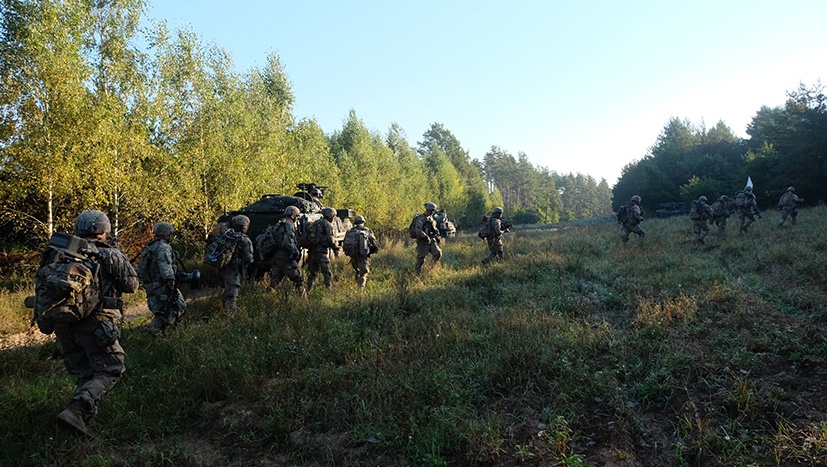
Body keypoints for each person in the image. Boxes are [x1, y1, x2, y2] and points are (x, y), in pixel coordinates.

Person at [49, 210, 139, 434]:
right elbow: (131, 286)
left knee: (87, 374)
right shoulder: (108, 254)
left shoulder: (57, 251)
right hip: (96, 323)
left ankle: (82, 425)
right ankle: (77, 410)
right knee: (112, 368)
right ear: (103, 231)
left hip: (62, 323)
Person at [138, 222, 186, 334]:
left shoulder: (150, 246)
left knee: (161, 311)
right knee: (178, 306)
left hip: (151, 285)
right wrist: (171, 283)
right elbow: (165, 267)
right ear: (167, 234)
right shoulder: (164, 248)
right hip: (162, 285)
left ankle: (157, 334)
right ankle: (166, 333)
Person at [266, 205, 306, 297]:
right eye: (296, 215)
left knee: (274, 281)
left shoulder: (279, 224)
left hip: (277, 257)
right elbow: (287, 242)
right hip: (286, 257)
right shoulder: (289, 225)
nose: (297, 218)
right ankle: (304, 301)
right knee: (299, 278)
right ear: (292, 215)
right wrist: (295, 251)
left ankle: (266, 297)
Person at [220, 215, 254, 311]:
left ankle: (223, 307)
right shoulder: (245, 239)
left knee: (228, 288)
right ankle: (230, 315)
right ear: (245, 226)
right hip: (233, 269)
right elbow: (249, 258)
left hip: (223, 267)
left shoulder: (227, 235)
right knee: (233, 293)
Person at [305, 207, 338, 291]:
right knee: (327, 271)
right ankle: (328, 288)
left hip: (312, 251)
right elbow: (330, 238)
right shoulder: (326, 224)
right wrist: (335, 247)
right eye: (333, 216)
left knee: (313, 272)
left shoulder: (315, 223)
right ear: (330, 216)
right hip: (321, 252)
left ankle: (308, 289)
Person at [345, 215, 379, 287]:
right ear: (363, 222)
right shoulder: (367, 230)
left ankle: (356, 283)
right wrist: (374, 248)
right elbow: (374, 241)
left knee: (357, 270)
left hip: (353, 255)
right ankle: (360, 289)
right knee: (364, 272)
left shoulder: (350, 231)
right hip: (362, 255)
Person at [412, 202, 442, 274]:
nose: (433, 212)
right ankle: (417, 273)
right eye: (432, 211)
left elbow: (434, 228)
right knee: (421, 259)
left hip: (432, 240)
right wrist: (425, 236)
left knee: (438, 253)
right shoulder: (420, 219)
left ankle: (430, 269)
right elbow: (418, 230)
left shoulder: (431, 219)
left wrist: (437, 234)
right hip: (423, 241)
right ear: (428, 210)